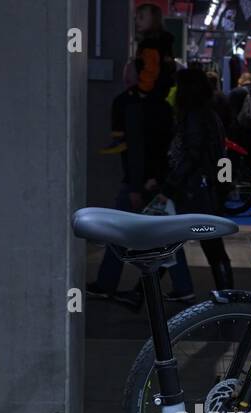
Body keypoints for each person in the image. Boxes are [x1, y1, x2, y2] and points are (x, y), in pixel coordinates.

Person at [86, 60, 174, 311]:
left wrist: (137, 184)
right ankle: (181, 287)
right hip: (156, 181)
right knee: (166, 235)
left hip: (142, 181)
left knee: (119, 231)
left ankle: (109, 284)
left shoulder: (132, 105)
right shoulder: (162, 108)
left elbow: (136, 149)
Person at [152, 67, 234, 294]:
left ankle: (145, 291)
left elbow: (191, 155)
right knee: (207, 248)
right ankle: (226, 296)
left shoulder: (194, 115)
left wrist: (168, 187)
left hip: (194, 191)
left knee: (174, 241)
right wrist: (223, 188)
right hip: (206, 190)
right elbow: (220, 154)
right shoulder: (211, 114)